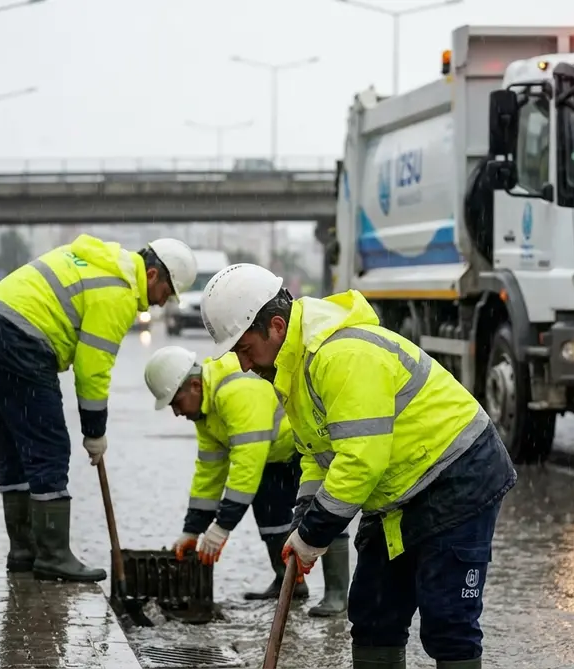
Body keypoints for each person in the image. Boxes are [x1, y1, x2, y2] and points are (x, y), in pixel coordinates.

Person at [198, 263, 518, 669]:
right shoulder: (295, 368)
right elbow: (317, 454)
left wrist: (315, 534)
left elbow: (359, 462)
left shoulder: (339, 354)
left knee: (447, 623)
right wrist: (304, 519)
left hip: (458, 477)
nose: (244, 365)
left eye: (244, 349)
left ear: (276, 326)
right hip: (396, 491)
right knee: (372, 616)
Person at [0, 234, 196, 582]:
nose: (162, 304)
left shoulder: (100, 261)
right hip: (21, 339)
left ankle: (25, 552)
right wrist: (94, 432)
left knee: (14, 449)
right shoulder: (119, 291)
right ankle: (52, 556)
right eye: (167, 293)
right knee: (49, 447)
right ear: (154, 274)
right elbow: (92, 369)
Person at [143, 345, 351, 617]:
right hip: (272, 457)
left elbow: (246, 466)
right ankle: (290, 582)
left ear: (195, 385)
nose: (176, 413)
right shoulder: (205, 413)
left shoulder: (235, 392)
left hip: (300, 449)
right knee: (270, 515)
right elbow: (209, 474)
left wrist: (221, 527)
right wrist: (192, 531)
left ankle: (336, 594)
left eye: (175, 403)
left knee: (323, 510)